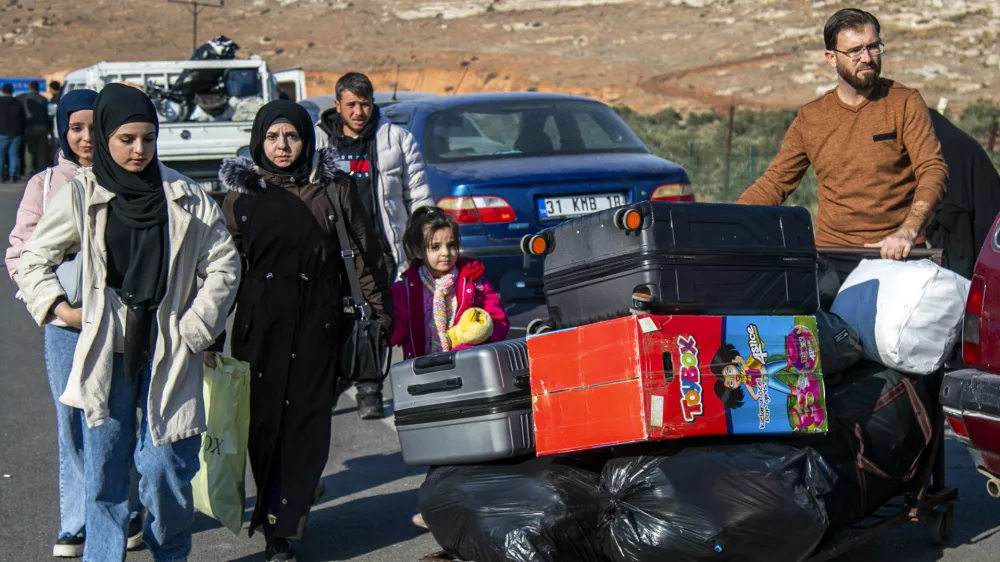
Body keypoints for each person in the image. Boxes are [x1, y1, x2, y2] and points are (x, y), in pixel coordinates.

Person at [16, 83, 241, 562]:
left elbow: (224, 263)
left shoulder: (184, 194)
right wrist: (61, 310)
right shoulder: (80, 193)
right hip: (107, 353)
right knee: (106, 475)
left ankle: (170, 553)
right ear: (104, 139)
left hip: (170, 350)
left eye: (148, 138)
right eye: (126, 139)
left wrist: (196, 326)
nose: (139, 150)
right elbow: (33, 258)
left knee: (165, 469)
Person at [217, 100, 393, 562]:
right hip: (261, 329)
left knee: (306, 425)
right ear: (258, 141)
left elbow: (365, 254)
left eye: (291, 136)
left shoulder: (333, 190)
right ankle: (276, 507)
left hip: (319, 323)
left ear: (306, 139)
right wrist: (208, 331)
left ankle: (284, 528)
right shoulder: (240, 199)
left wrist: (381, 314)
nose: (282, 146)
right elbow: (220, 272)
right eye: (272, 138)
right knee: (265, 424)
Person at [6, 88, 145, 557]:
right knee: (72, 421)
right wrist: (55, 307)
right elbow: (20, 255)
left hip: (125, 322)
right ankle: (77, 521)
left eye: (95, 127)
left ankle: (125, 509)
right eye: (76, 128)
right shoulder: (45, 185)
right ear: (62, 130)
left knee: (118, 418)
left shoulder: (133, 176)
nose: (86, 138)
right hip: (67, 326)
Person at [736, 8, 949, 282]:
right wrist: (729, 223)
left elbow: (932, 169)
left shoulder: (904, 102)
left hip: (898, 253)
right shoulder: (811, 117)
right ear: (831, 58)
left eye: (873, 48)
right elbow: (775, 183)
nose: (867, 58)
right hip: (832, 256)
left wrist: (907, 231)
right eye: (855, 51)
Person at [315, 72, 434, 418]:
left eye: (364, 104)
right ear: (337, 106)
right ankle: (330, 387)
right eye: (351, 104)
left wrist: (424, 238)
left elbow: (418, 195)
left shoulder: (396, 140)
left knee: (375, 319)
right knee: (334, 321)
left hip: (380, 247)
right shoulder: (321, 145)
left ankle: (370, 389)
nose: (358, 111)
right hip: (332, 249)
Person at [388, 206, 511, 529]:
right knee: (438, 449)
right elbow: (396, 330)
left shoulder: (473, 282)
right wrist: (382, 324)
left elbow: (498, 321)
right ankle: (439, 508)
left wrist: (479, 332)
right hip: (426, 378)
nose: (446, 253)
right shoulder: (406, 289)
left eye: (451, 245)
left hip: (466, 376)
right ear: (417, 250)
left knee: (470, 444)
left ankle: (472, 505)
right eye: (435, 246)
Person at [925, 109, 1000, 279]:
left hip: (962, 217)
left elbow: (953, 210)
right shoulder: (944, 136)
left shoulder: (940, 145)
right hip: (975, 214)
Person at [19, 81, 51, 174]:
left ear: (30, 87)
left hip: (30, 127)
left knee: (29, 150)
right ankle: (41, 170)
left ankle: (28, 170)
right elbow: (47, 114)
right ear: (38, 88)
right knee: (42, 150)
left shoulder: (24, 98)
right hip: (43, 126)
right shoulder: (43, 99)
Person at [0, 83, 27, 182]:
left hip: (2, 132)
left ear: (2, 91)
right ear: (12, 91)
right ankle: (12, 175)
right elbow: (23, 118)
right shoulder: (18, 103)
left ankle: (1, 176)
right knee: (13, 155)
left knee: (1, 156)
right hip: (16, 133)